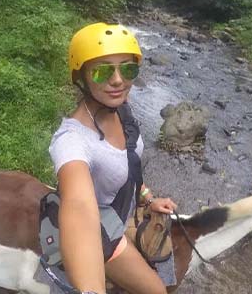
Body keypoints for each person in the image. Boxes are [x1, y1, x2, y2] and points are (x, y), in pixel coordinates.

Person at [48, 22, 177, 294]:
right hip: (99, 224)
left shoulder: (122, 111)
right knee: (158, 291)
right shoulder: (71, 140)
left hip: (123, 211)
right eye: (103, 71)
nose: (118, 80)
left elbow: (128, 167)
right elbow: (80, 208)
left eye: (128, 69)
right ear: (81, 77)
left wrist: (148, 199)